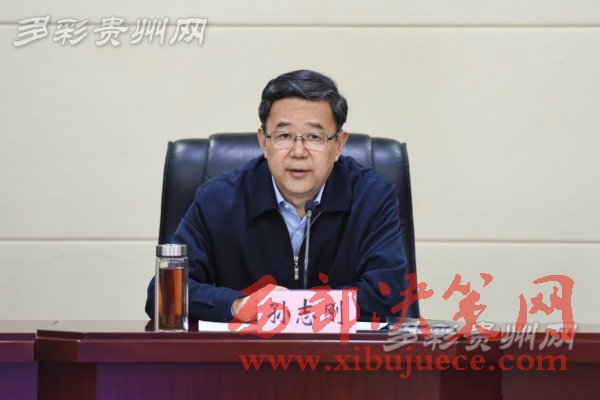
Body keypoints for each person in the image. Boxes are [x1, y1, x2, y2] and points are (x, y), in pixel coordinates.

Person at [145, 69, 408, 323]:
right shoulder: (217, 200)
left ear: (338, 144)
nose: (298, 152)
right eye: (284, 135)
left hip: (340, 353)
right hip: (245, 352)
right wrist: (238, 305)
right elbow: (164, 295)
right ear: (264, 142)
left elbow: (388, 294)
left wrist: (293, 307)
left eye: (314, 136)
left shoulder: (372, 198)